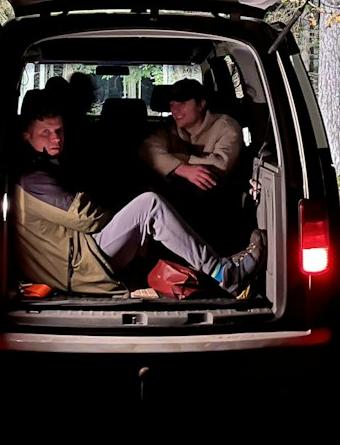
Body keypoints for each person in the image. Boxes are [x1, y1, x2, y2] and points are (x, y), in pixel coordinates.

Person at [13, 96, 263, 298]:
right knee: (148, 204)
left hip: (76, 258)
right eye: (45, 132)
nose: (55, 137)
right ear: (26, 136)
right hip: (81, 266)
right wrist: (124, 219)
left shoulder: (42, 168)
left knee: (145, 212)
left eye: (59, 131)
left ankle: (214, 267)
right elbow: (86, 218)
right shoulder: (33, 179)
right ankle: (225, 274)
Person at [139, 78, 247, 251]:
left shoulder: (226, 127)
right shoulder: (169, 127)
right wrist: (182, 169)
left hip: (217, 205)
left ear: (201, 104)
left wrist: (180, 160)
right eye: (172, 104)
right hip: (178, 205)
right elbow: (149, 151)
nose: (175, 109)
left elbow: (220, 164)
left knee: (206, 184)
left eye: (182, 103)